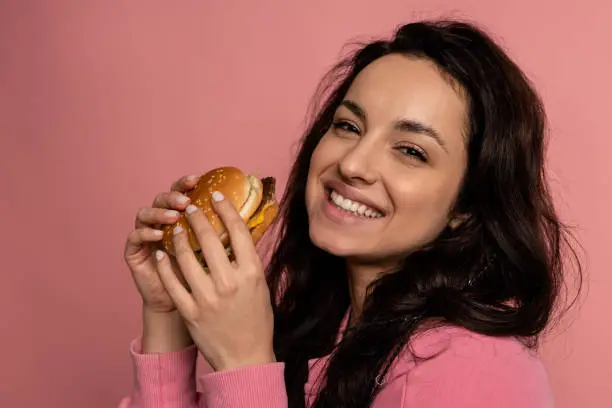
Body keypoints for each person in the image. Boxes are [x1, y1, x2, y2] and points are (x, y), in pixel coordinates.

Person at [119, 19, 582, 408]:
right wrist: (166, 316)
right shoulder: (328, 328)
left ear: (467, 204)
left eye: (410, 151)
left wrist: (244, 364)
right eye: (347, 125)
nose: (353, 164)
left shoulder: (478, 370)